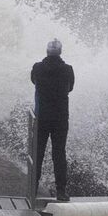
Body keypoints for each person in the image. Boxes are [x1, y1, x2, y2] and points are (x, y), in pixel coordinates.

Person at [30, 39, 75, 201]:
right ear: (60, 52)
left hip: (41, 117)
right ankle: (61, 191)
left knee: (38, 153)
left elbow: (33, 80)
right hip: (60, 118)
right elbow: (70, 88)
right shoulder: (68, 70)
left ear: (47, 51)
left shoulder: (37, 68)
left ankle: (32, 189)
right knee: (59, 153)